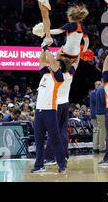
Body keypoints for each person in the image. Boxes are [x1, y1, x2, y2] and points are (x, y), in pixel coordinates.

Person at [31, 43, 72, 173]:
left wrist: (47, 49)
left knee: (55, 138)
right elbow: (42, 61)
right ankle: (39, 166)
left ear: (59, 67)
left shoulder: (59, 78)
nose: (51, 63)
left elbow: (53, 63)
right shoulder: (45, 74)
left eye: (55, 63)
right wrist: (42, 49)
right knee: (38, 140)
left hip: (50, 111)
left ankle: (62, 164)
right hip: (39, 111)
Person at [44, 54, 80, 164]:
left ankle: (49, 157)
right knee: (63, 131)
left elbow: (50, 63)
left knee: (53, 132)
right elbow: (76, 63)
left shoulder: (57, 76)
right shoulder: (70, 74)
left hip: (56, 105)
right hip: (65, 104)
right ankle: (64, 155)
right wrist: (78, 53)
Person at [90, 81, 106, 153]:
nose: (99, 85)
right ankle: (95, 147)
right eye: (97, 84)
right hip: (95, 114)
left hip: (97, 113)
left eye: (100, 84)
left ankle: (97, 147)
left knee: (98, 130)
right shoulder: (94, 93)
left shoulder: (98, 91)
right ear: (95, 85)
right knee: (96, 130)